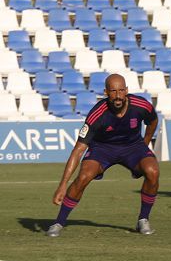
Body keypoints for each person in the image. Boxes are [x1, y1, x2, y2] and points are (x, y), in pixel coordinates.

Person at [48, 74, 160, 237]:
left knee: (153, 171)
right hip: (102, 149)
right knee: (84, 176)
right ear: (106, 92)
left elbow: (153, 121)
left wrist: (145, 143)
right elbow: (78, 149)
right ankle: (59, 222)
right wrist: (63, 184)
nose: (118, 95)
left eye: (121, 90)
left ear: (126, 90)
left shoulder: (141, 105)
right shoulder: (97, 114)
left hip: (133, 147)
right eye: (113, 91)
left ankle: (143, 219)